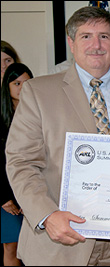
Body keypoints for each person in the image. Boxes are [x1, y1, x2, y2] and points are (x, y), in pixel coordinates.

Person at [5, 6, 110, 266]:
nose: (96, 45)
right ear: (71, 42)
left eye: (103, 36)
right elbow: (21, 163)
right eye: (86, 36)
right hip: (60, 243)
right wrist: (47, 215)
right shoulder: (38, 92)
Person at [1, 63, 33, 266]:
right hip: (7, 197)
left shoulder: (40, 114)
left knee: (31, 247)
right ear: (8, 86)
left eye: (28, 83)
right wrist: (4, 198)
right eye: (17, 83)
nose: (23, 88)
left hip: (32, 193)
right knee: (12, 246)